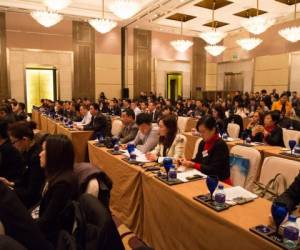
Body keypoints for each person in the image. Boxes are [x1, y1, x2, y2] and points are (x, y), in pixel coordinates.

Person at [35, 134, 78, 246]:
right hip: (44, 225)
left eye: (44, 150)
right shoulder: (55, 174)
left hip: (53, 237)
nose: (39, 154)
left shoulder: (63, 185)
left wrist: (26, 225)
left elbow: (48, 222)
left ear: (55, 155)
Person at [181, 116, 231, 183]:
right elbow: (197, 160)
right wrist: (185, 162)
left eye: (203, 132)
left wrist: (193, 165)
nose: (201, 135)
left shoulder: (220, 145)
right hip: (204, 178)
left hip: (220, 182)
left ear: (213, 130)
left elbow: (213, 170)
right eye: (200, 132)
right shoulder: (203, 143)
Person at [7, 122, 45, 208]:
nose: (13, 146)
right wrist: (11, 183)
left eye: (14, 142)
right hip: (23, 193)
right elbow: (24, 179)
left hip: (32, 203)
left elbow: (32, 193)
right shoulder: (26, 151)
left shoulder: (36, 158)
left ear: (25, 139)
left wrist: (11, 190)